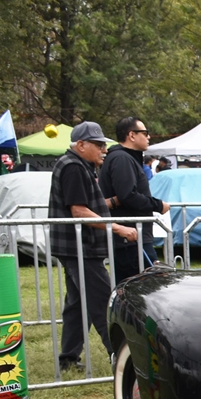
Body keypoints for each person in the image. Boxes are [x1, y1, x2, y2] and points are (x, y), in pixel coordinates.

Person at [48, 121, 137, 371]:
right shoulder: (73, 167)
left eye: (103, 144)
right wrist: (119, 228)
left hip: (78, 247)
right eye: (98, 145)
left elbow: (87, 204)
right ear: (81, 145)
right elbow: (79, 211)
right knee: (102, 302)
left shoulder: (78, 165)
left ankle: (68, 358)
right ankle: (120, 357)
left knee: (77, 304)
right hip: (80, 248)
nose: (103, 149)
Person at [100, 116, 169, 280]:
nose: (148, 137)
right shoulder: (122, 158)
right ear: (131, 135)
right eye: (145, 133)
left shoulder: (126, 158)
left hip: (133, 236)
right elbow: (127, 195)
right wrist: (158, 205)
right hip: (130, 238)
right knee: (146, 285)